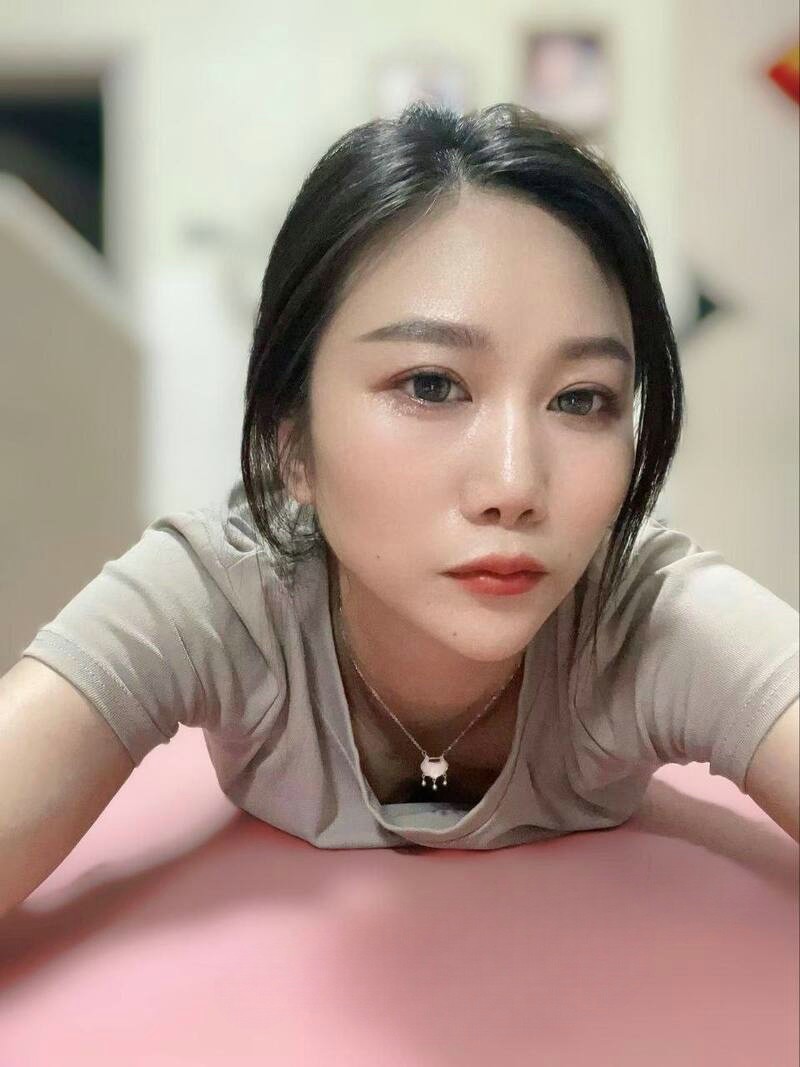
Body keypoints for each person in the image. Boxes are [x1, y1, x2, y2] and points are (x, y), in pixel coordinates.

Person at [3, 103, 798, 892]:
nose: (514, 487)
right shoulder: (220, 598)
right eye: (431, 385)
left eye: (581, 398)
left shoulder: (645, 618)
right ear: (291, 444)